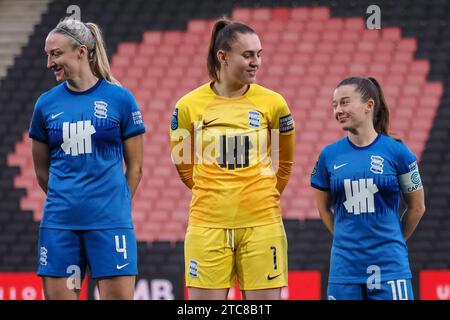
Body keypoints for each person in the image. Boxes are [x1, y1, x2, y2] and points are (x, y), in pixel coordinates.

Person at [169, 18, 295, 300]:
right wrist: (215, 194)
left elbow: (284, 163)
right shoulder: (187, 106)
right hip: (207, 226)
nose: (256, 62)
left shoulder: (275, 104)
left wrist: (263, 197)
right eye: (248, 55)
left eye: (259, 55)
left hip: (263, 225)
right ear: (223, 57)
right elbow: (182, 164)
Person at [29, 19, 145, 300]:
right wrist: (70, 200)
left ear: (81, 51)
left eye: (55, 54)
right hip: (60, 225)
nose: (49, 63)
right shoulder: (45, 104)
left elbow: (136, 168)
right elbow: (42, 174)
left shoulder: (120, 99)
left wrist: (113, 206)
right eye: (48, 55)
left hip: (111, 225)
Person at [311, 76, 426, 300]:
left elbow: (417, 207)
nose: (338, 110)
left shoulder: (398, 152)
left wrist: (393, 242)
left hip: (390, 268)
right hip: (344, 270)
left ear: (369, 105)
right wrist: (345, 239)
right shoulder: (328, 156)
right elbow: (323, 209)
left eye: (344, 102)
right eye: (334, 105)